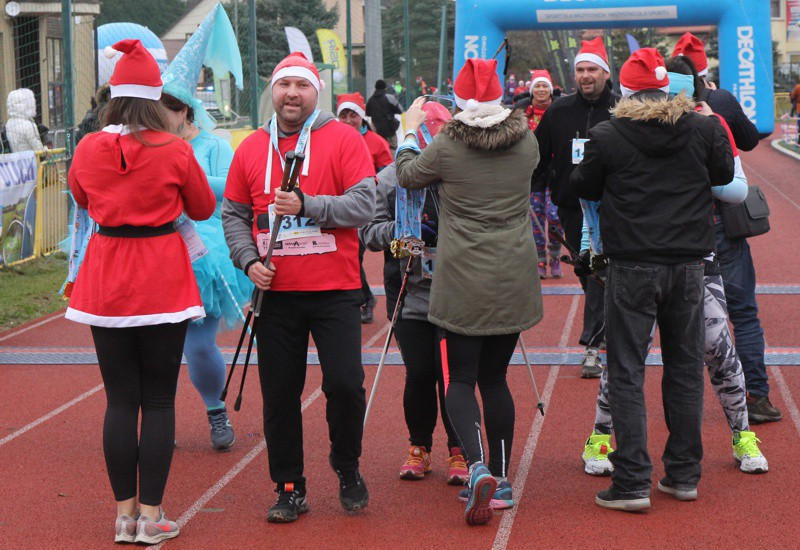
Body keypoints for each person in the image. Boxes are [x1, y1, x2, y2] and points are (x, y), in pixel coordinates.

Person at [580, 55, 768, 478]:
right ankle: (603, 437)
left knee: (716, 350)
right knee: (626, 359)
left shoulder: (706, 128)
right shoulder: (620, 134)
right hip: (652, 261)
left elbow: (733, 185)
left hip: (696, 261)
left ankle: (741, 434)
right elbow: (588, 197)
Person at [64, 39, 216, 544]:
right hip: (161, 278)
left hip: (106, 279)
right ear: (155, 97)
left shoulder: (87, 147)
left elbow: (81, 197)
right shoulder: (174, 148)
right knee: (159, 401)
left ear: (113, 96)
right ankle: (151, 518)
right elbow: (201, 209)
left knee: (119, 400)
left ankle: (124, 517)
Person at [222, 52, 376, 523]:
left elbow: (364, 204)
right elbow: (234, 214)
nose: (292, 93)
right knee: (281, 394)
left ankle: (347, 468)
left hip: (336, 290)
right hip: (276, 293)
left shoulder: (344, 140)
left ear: (316, 92)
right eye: (284, 84)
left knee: (346, 386)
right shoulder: (251, 147)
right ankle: (289, 486)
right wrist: (248, 261)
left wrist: (308, 205)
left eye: (302, 86)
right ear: (273, 89)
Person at [396, 58, 542, 525]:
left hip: (461, 277)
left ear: (458, 100)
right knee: (496, 379)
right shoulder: (528, 143)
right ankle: (500, 480)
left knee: (459, 379)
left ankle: (476, 463)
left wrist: (406, 130)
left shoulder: (446, 146)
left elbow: (408, 174)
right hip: (514, 272)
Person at [360, 101, 469, 488]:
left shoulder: (462, 172)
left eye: (438, 136)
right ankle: (419, 446)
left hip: (458, 289)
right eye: (424, 137)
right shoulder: (389, 178)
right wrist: (402, 231)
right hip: (409, 291)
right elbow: (368, 234)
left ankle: (461, 450)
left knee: (454, 375)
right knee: (420, 373)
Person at [673, 33, 781, 423]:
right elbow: (752, 140)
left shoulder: (649, 116)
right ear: (705, 73)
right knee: (743, 312)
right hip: (721, 222)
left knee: (678, 320)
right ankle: (756, 395)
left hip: (675, 229)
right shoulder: (720, 106)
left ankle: (684, 408)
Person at [159, 3, 252, 451]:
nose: (164, 115)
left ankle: (215, 411)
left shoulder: (214, 145)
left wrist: (182, 180)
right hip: (154, 252)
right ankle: (159, 417)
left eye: (172, 107)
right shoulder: (146, 146)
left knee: (197, 345)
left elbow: (232, 186)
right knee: (155, 347)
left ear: (187, 110)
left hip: (204, 254)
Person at [533, 37, 618, 378]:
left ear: (605, 73)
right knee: (590, 275)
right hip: (571, 208)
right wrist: (531, 196)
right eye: (580, 69)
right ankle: (604, 337)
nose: (585, 76)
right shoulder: (558, 111)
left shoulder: (620, 108)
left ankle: (593, 349)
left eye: (592, 69)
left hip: (613, 206)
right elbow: (537, 158)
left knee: (603, 273)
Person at [337, 92, 393, 324]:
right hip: (340, 209)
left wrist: (368, 186)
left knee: (355, 256)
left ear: (362, 116)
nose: (349, 120)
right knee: (348, 257)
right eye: (344, 115)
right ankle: (363, 299)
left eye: (353, 115)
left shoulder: (377, 142)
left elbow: (389, 175)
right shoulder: (333, 140)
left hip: (368, 210)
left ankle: (364, 299)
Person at [515, 70, 564, 279]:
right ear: (531, 89)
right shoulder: (521, 113)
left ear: (550, 89)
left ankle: (555, 256)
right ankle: (540, 260)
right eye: (537, 86)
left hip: (556, 173)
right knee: (535, 219)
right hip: (532, 175)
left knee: (554, 217)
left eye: (545, 86)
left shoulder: (561, 110)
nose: (541, 90)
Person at [5, 88, 44, 152]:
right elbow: (38, 149)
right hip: (30, 161)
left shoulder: (8, 124)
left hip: (15, 160)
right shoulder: (29, 126)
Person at [366, 79, 403, 145]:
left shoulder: (371, 100)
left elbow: (368, 113)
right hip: (389, 130)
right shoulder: (390, 98)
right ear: (385, 87)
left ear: (376, 87)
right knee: (392, 151)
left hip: (376, 131)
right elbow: (400, 110)